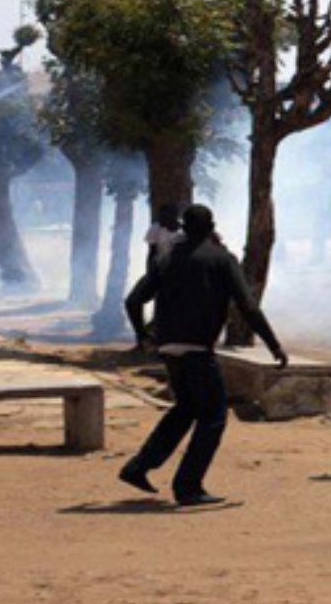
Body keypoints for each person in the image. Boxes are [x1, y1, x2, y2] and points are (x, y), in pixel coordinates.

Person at [120, 204, 288, 507]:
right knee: (213, 416)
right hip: (197, 348)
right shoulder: (222, 260)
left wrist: (143, 337)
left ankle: (138, 467)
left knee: (185, 409)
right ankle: (188, 486)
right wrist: (274, 345)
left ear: (184, 227)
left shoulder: (166, 258)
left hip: (168, 347)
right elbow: (248, 307)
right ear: (212, 227)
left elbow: (133, 301)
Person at [144, 203, 183, 270]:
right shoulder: (155, 228)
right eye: (161, 216)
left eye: (165, 217)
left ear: (174, 216)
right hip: (161, 265)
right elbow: (152, 252)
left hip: (180, 264)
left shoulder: (183, 230)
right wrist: (149, 271)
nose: (161, 220)